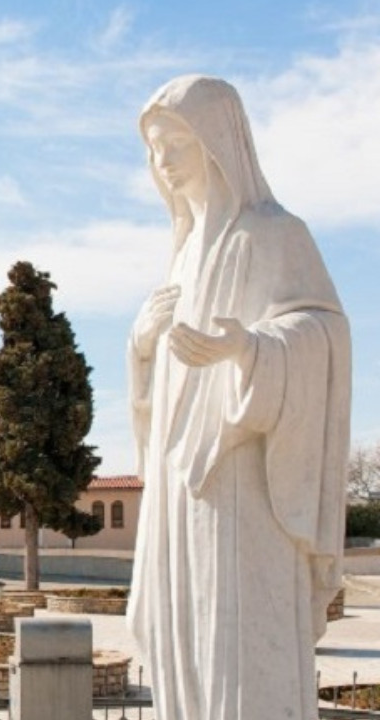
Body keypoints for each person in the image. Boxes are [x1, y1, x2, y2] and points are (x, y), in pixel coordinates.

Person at [127, 75, 349, 720]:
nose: (162, 162)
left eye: (177, 143)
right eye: (154, 148)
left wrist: (249, 348)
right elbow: (156, 381)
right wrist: (140, 347)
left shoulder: (274, 233)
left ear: (219, 142)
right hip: (177, 487)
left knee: (239, 638)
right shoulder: (182, 254)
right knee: (184, 637)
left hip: (242, 481)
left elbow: (325, 332)